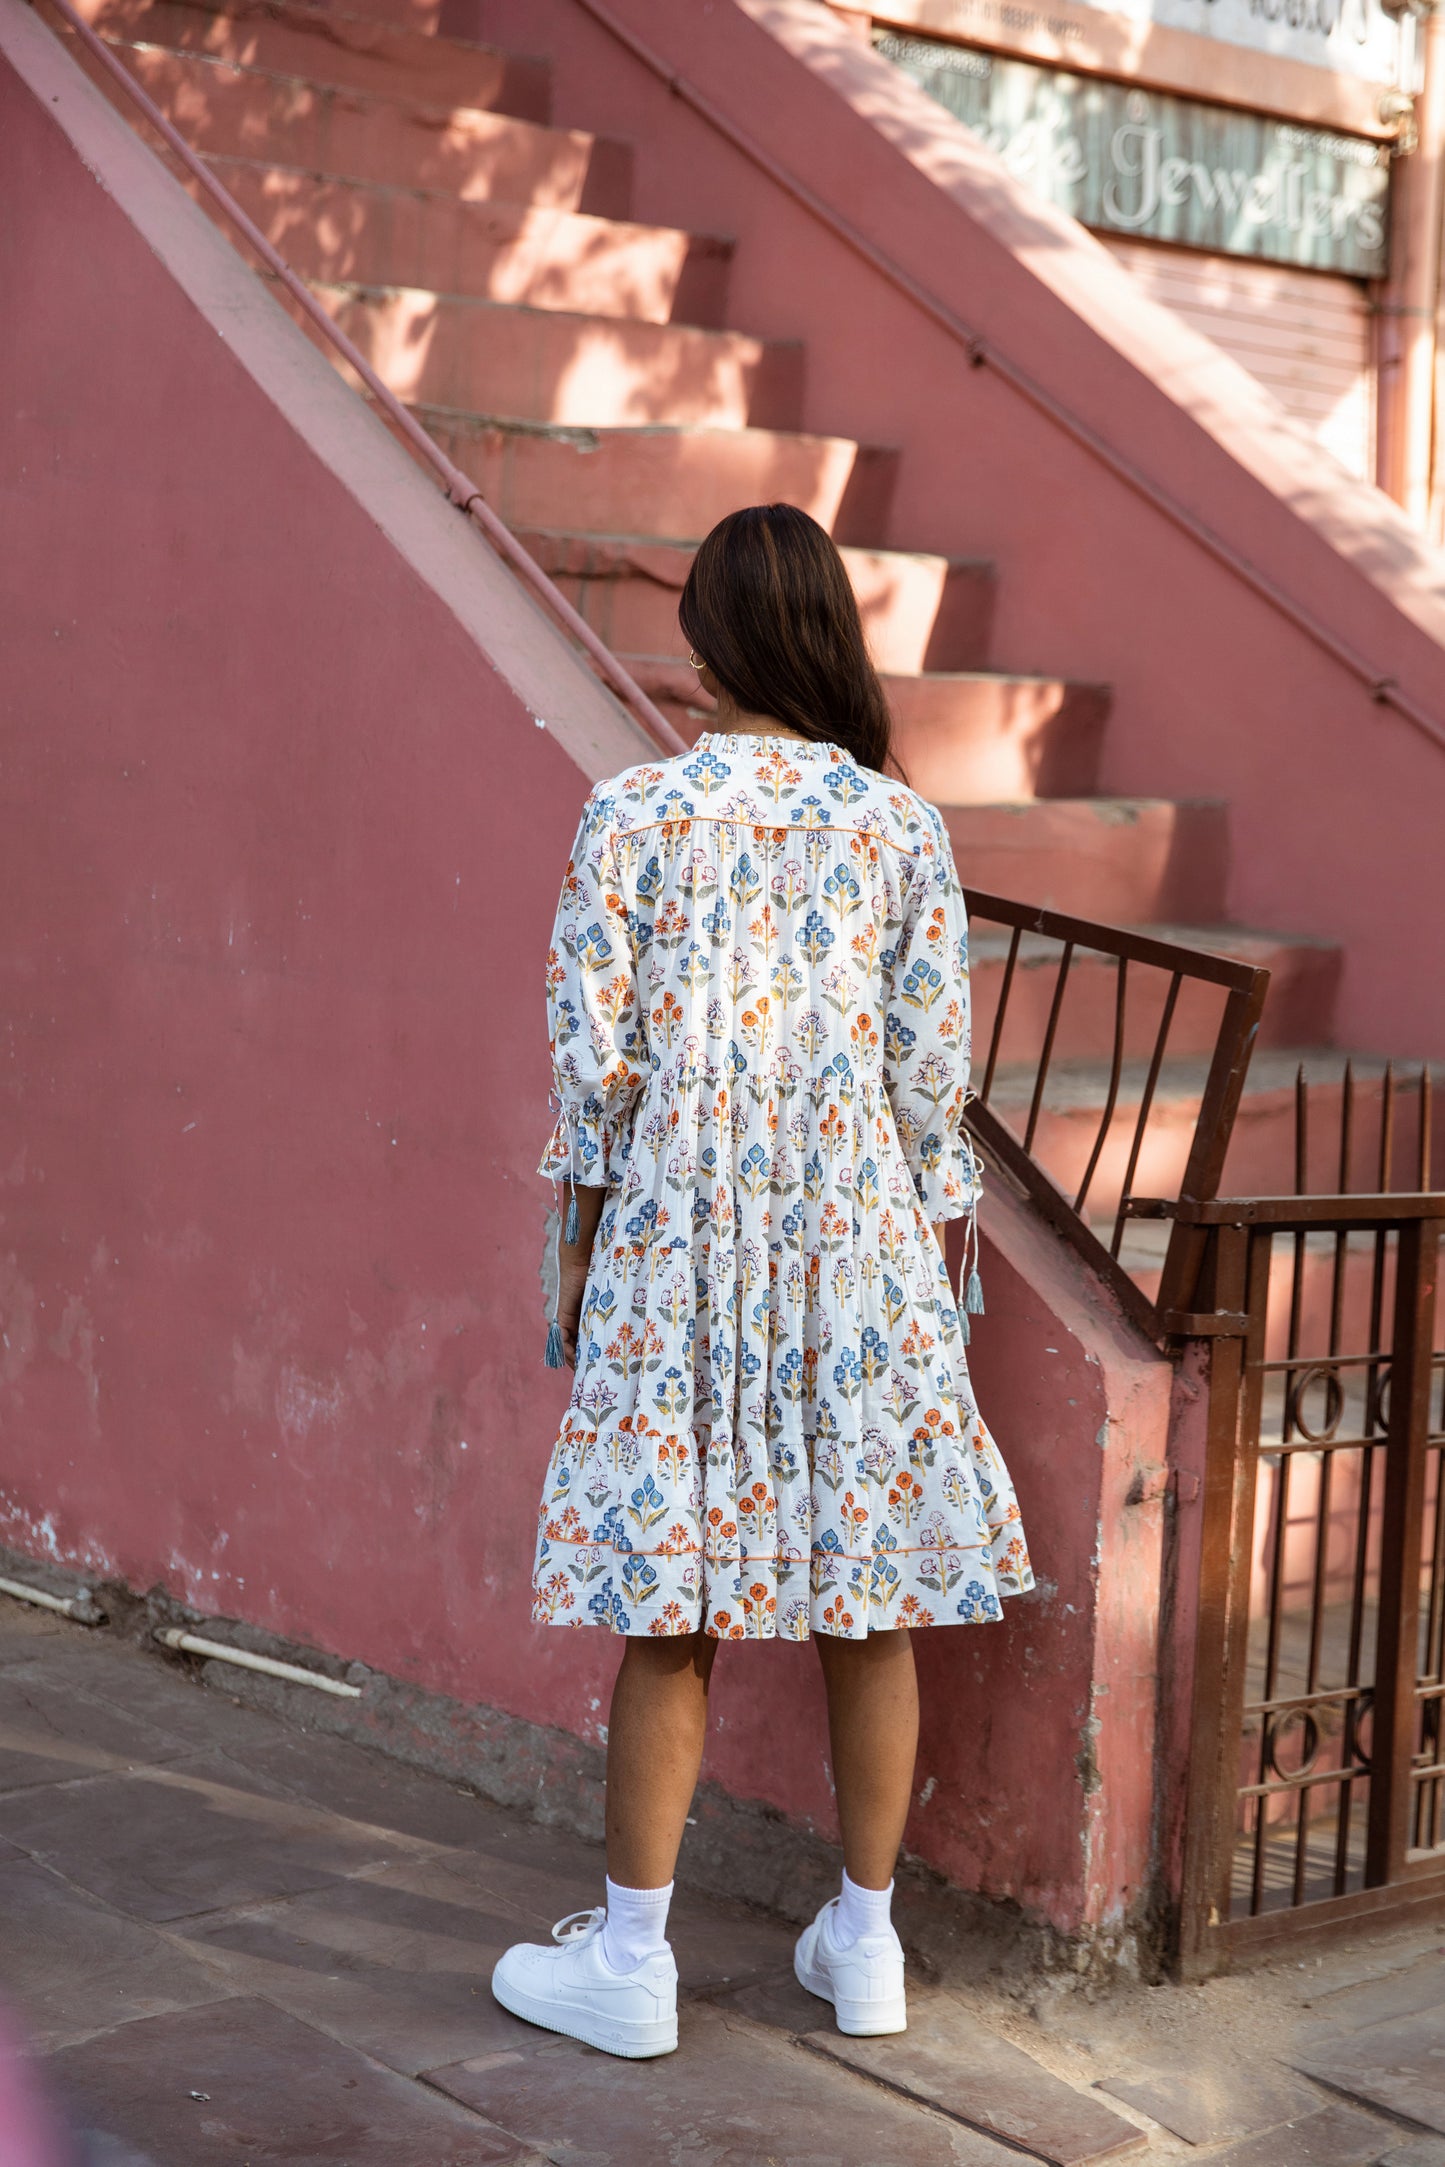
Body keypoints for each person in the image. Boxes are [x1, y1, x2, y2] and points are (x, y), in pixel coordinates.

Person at [491, 503, 1033, 2059]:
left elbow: (596, 1068)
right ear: (830, 639)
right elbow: (933, 1081)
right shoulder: (900, 828)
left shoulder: (634, 814)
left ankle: (634, 1965)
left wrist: (585, 1253)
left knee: (671, 1604)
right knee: (870, 1597)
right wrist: (925, 1262)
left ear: (708, 639)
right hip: (859, 1244)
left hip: (682, 1234)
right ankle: (865, 1947)